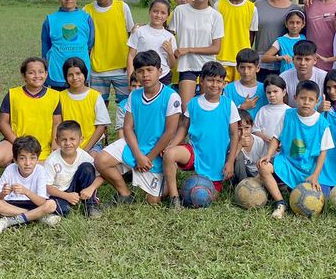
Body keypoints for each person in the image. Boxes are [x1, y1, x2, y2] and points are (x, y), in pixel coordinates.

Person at [94, 51, 182, 204]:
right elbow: (128, 128)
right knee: (101, 160)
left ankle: (168, 179)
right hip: (135, 145)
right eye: (140, 71)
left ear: (160, 71)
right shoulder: (134, 96)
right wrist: (139, 156)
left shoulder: (171, 96)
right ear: (135, 73)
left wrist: (149, 158)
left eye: (149, 70)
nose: (145, 75)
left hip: (157, 152)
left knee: (153, 200)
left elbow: (169, 132)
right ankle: (125, 193)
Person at [163, 61, 241, 208]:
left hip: (216, 160)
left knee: (204, 199)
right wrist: (171, 145)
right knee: (169, 154)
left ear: (224, 83)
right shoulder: (193, 103)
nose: (215, 85)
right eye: (210, 80)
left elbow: (234, 135)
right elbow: (183, 128)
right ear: (202, 81)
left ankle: (201, 182)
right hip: (195, 152)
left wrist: (230, 162)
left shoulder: (228, 105)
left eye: (219, 81)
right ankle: (174, 198)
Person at [257, 80, 333, 219]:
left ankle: (286, 186)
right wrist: (268, 155)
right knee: (263, 166)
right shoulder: (287, 115)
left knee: (325, 199)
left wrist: (316, 174)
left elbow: (323, 152)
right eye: (303, 98)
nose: (306, 102)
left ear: (317, 102)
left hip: (309, 168)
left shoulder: (322, 123)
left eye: (311, 99)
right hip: (287, 162)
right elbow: (276, 137)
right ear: (295, 98)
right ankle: (280, 202)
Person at [0, 58, 62, 167]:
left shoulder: (55, 96)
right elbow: (3, 123)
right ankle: (18, 164)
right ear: (24, 76)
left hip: (43, 145)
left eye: (41, 72)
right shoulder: (13, 94)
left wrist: (55, 146)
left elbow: (57, 123)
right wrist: (17, 143)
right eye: (31, 73)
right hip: (17, 141)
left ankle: (26, 164)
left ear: (46, 74)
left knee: (49, 165)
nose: (37, 76)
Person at [169, 0, 225, 108]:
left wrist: (189, 49)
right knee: (186, 108)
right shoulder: (180, 11)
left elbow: (216, 48)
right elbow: (169, 35)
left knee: (207, 107)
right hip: (186, 65)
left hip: (208, 67)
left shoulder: (215, 16)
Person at [0, 136, 60, 233]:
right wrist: (3, 193)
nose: (27, 163)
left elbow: (41, 201)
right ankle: (38, 216)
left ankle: (9, 221)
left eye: (32, 158)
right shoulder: (10, 169)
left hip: (33, 203)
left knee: (51, 204)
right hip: (13, 204)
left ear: (37, 159)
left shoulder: (40, 170)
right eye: (22, 158)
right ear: (15, 160)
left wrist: (26, 191)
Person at [85, 0, 135, 105]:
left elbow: (131, 35)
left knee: (126, 106)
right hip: (97, 69)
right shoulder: (86, 11)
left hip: (122, 68)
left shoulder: (122, 7)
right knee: (99, 107)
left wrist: (131, 64)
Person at [42, 0, 94, 90]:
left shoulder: (86, 18)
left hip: (81, 73)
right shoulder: (50, 20)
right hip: (57, 74)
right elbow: (46, 49)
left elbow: (89, 43)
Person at [44, 120, 103, 219]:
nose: (68, 143)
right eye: (63, 139)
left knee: (87, 167)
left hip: (77, 187)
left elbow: (101, 176)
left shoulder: (84, 156)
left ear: (81, 139)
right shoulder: (52, 160)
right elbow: (47, 186)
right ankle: (66, 204)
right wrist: (67, 196)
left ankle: (90, 205)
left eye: (72, 139)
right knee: (63, 209)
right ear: (57, 141)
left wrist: (90, 189)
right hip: (59, 193)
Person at [253, 0, 302, 82]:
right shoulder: (258, 5)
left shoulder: (295, 9)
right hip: (262, 62)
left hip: (286, 64)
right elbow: (250, 33)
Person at [216, 0, 259, 82]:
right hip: (221, 59)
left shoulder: (252, 8)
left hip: (242, 62)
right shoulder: (218, 5)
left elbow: (251, 36)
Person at [59, 57, 110, 153]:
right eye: (70, 75)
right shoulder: (60, 97)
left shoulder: (95, 96)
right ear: (65, 77)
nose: (75, 78)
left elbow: (101, 126)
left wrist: (85, 150)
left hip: (92, 145)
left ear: (85, 74)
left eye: (78, 73)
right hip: (67, 144)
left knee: (94, 159)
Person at [128, 0, 178, 86]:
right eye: (155, 11)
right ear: (149, 12)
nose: (158, 15)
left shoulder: (169, 37)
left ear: (167, 16)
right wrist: (130, 77)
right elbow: (131, 56)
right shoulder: (139, 31)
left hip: (164, 77)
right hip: (143, 76)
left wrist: (170, 53)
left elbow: (172, 65)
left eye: (163, 13)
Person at [224, 48, 267, 120]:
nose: (246, 72)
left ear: (258, 68)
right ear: (237, 68)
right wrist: (242, 107)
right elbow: (225, 113)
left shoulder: (265, 89)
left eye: (250, 67)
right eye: (242, 67)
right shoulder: (229, 89)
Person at [281, 40, 328, 107]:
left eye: (307, 59)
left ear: (315, 60)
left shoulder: (324, 77)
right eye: (299, 59)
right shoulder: (284, 78)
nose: (303, 63)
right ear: (293, 59)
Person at [261, 9, 306, 73]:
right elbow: (264, 58)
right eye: (291, 22)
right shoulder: (281, 41)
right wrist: (279, 58)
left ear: (303, 24)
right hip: (286, 75)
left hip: (301, 74)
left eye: (298, 23)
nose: (294, 26)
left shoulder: (304, 39)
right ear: (286, 24)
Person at [252, 74, 290, 143]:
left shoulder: (289, 111)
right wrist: (265, 138)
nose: (272, 95)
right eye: (269, 92)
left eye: (275, 91)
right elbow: (255, 130)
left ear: (284, 92)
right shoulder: (263, 110)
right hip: (264, 147)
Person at [169, 0, 193, 88]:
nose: (183, 0)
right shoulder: (169, 16)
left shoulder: (198, 14)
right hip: (176, 61)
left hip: (193, 61)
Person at [234, 109, 267, 182]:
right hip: (241, 175)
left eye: (246, 128)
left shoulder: (259, 141)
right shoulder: (233, 142)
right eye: (239, 129)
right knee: (239, 155)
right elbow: (230, 161)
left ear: (252, 127)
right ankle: (243, 184)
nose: (243, 132)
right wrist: (240, 145)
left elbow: (263, 161)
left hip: (257, 173)